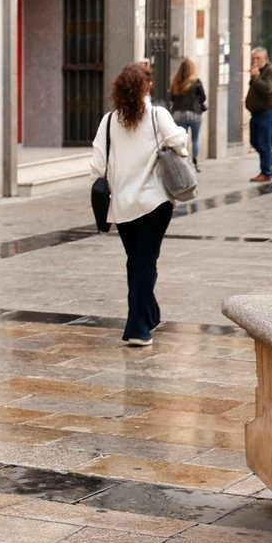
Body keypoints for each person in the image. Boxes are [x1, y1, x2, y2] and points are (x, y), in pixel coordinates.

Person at [90, 62, 190, 348]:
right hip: (155, 202)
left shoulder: (109, 121)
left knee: (136, 261)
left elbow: (97, 165)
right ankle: (138, 328)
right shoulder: (158, 116)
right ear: (146, 87)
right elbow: (180, 143)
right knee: (145, 262)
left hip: (122, 205)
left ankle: (147, 315)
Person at [246, 46, 272, 183]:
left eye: (258, 58)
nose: (255, 61)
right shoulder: (260, 71)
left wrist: (255, 77)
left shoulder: (271, 70)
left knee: (264, 142)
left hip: (269, 111)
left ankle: (266, 172)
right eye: (253, 58)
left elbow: (267, 89)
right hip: (257, 112)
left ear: (266, 59)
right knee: (255, 141)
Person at [168, 57, 208, 171]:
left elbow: (172, 98)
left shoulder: (175, 82)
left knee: (181, 140)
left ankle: (183, 162)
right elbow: (203, 97)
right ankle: (195, 162)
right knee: (195, 140)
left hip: (178, 114)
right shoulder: (196, 82)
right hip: (194, 113)